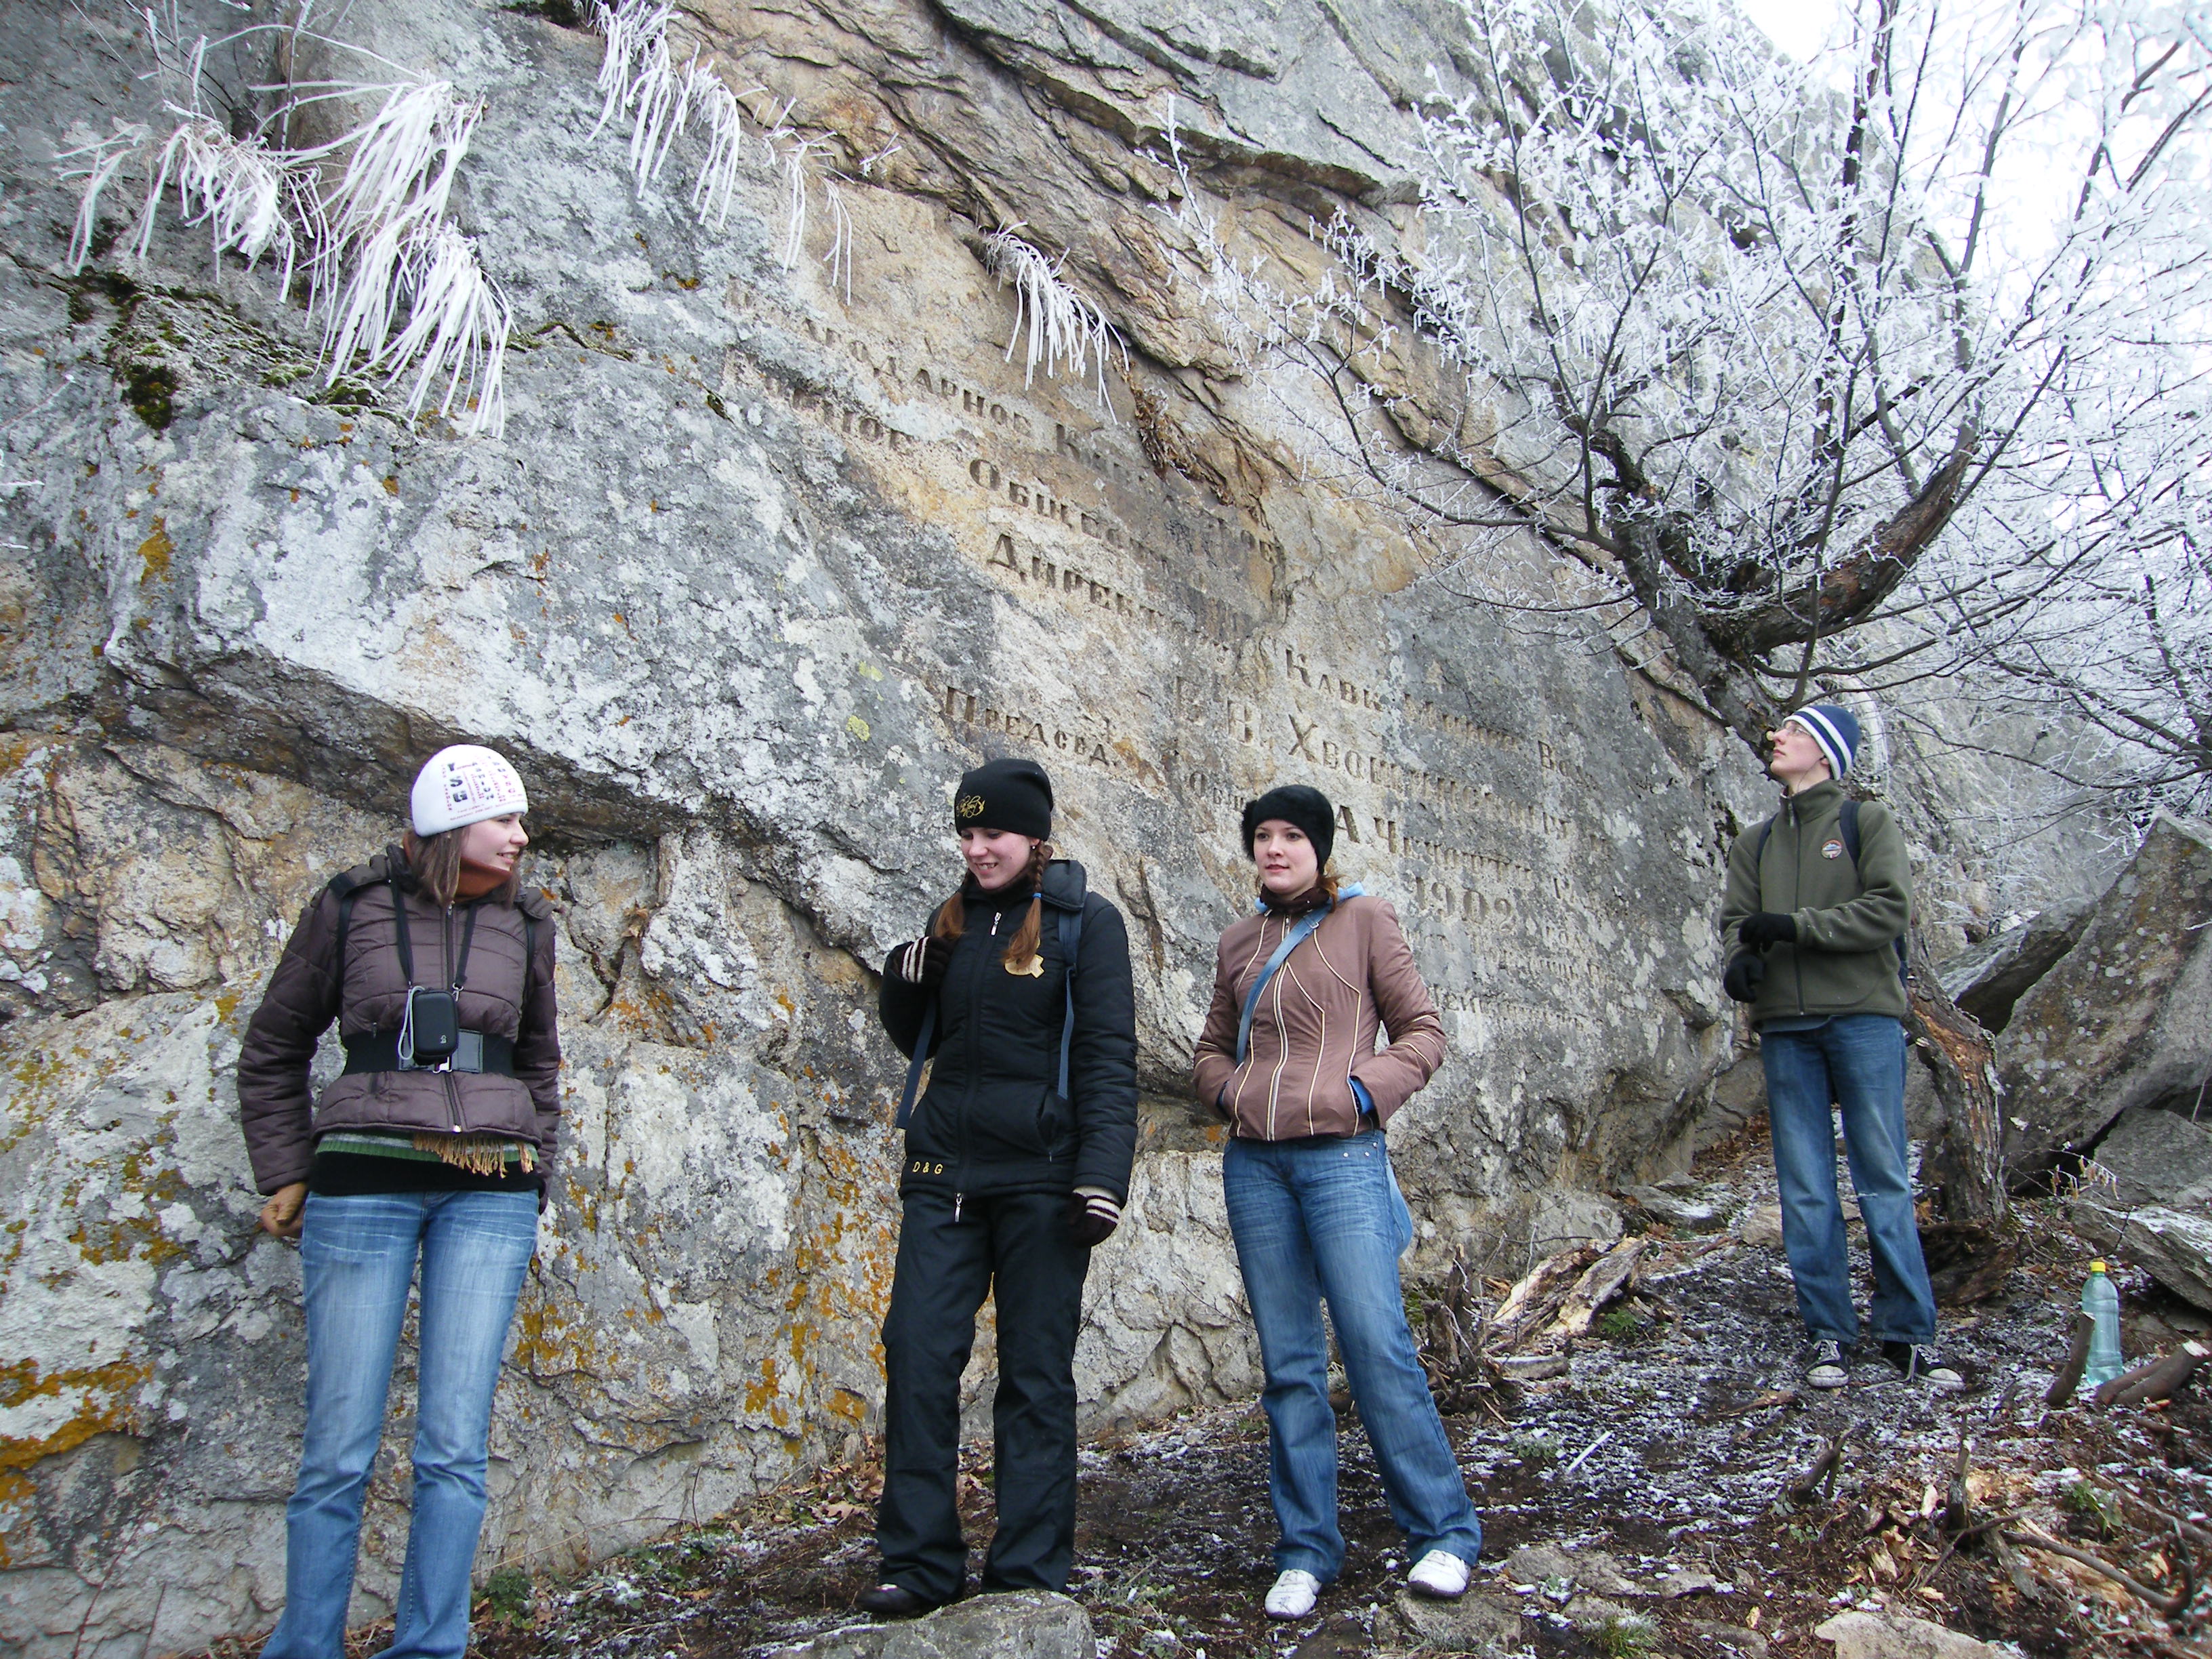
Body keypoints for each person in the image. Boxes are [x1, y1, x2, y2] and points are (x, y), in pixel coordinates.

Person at [237, 744, 561, 1659]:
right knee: (338, 1446)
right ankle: (305, 1647)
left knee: (454, 1448)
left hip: (490, 1192)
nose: (523, 836)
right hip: (363, 1183)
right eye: (508, 819)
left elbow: (540, 1062)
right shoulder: (347, 906)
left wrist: (543, 1172)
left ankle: (431, 1647)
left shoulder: (528, 921)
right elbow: (274, 1048)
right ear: (456, 823)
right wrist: (285, 1172)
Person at [1191, 785, 1479, 1621]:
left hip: (1345, 1160)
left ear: (1318, 845)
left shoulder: (1365, 920)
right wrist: (1229, 1095)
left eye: (1291, 836)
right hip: (1256, 1167)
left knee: (1376, 1345)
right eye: (1262, 837)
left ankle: (1444, 1535)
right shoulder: (1239, 941)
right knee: (1288, 1366)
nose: (1275, 849)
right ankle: (1307, 1550)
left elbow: (1422, 1030)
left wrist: (1360, 1096)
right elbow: (1211, 1045)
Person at [866, 756, 1138, 1616]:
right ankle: (918, 1565)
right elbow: (927, 1039)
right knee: (916, 1355)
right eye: (969, 833)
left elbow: (1106, 1056)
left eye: (996, 834)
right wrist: (899, 989)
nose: (979, 849)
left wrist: (1102, 1175)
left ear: (1036, 837)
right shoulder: (948, 922)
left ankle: (1026, 1572)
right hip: (944, 1170)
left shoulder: (1085, 924)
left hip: (1046, 1182)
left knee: (1033, 1373)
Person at [1720, 704, 1963, 1392]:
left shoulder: (1866, 823)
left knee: (1882, 1177)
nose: (1776, 737)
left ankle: (1909, 1334)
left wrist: (1794, 927)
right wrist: (1741, 963)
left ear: (1825, 754)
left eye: (1792, 732)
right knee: (1804, 1188)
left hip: (1861, 1017)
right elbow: (1738, 924)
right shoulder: (1756, 842)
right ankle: (1828, 1332)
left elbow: (1889, 908)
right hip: (1787, 1029)